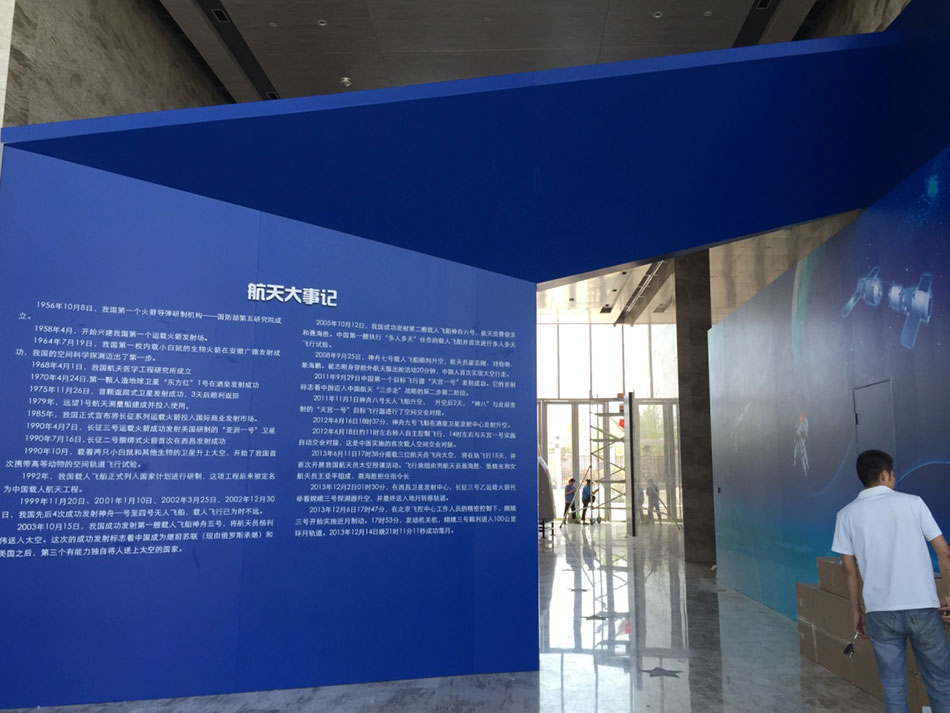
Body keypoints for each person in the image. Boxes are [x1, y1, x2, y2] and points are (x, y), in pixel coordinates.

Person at [832, 449, 950, 713]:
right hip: (923, 608)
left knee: (894, 688)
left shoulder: (846, 515)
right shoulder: (913, 503)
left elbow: (849, 570)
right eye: (893, 474)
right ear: (885, 474)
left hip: (880, 613)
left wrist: (856, 610)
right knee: (942, 683)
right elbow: (944, 553)